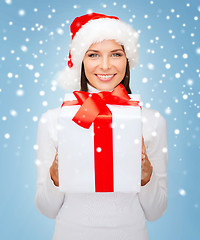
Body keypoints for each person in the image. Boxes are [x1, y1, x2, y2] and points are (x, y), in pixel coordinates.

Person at [35, 13, 168, 240]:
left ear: (128, 60)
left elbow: (156, 212)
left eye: (116, 54)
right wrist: (55, 177)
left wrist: (147, 176)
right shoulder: (53, 120)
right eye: (93, 54)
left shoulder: (152, 121)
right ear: (80, 61)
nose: (105, 65)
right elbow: (46, 209)